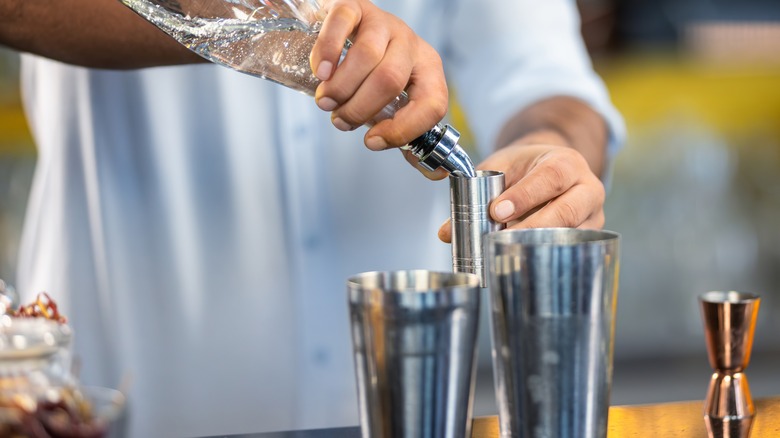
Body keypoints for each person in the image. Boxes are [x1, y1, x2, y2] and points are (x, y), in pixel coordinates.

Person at [0, 0, 625, 435]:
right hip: (114, 402)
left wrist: (549, 147)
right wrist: (264, 21)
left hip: (393, 410)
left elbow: (546, 82)